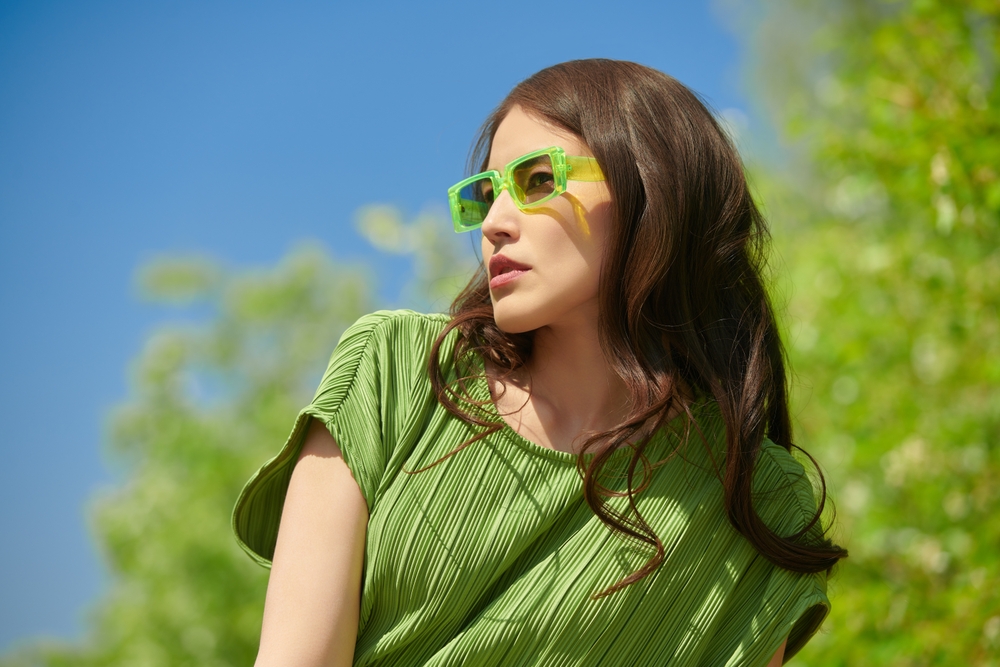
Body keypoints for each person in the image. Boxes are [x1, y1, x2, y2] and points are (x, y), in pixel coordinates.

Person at [232, 59, 847, 666]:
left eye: (535, 182)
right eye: (484, 196)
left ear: (654, 186)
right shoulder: (396, 372)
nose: (495, 224)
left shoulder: (758, 500)